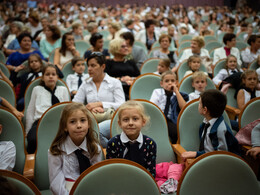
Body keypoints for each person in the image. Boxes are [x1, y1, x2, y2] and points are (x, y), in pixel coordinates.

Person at [48, 102, 102, 195]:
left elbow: (96, 177)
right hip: (66, 191)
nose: (79, 125)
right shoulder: (56, 151)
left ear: (88, 124)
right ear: (65, 127)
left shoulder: (95, 148)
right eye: (73, 122)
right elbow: (56, 182)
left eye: (83, 120)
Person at [181, 89, 239, 160]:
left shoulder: (220, 130)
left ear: (205, 110)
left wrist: (196, 154)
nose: (198, 105)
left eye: (199, 103)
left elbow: (220, 156)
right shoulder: (207, 123)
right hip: (207, 159)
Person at [26, 64, 70, 154]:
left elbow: (68, 110)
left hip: (59, 123)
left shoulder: (63, 89)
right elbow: (30, 111)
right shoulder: (37, 89)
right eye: (47, 74)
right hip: (39, 122)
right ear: (42, 77)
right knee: (32, 139)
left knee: (66, 141)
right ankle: (32, 161)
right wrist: (27, 130)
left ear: (57, 77)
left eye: (53, 74)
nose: (50, 76)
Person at [106, 100, 157, 177]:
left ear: (143, 122)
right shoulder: (113, 143)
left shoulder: (150, 144)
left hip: (143, 183)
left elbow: (151, 172)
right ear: (120, 123)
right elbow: (111, 171)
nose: (130, 123)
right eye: (126, 119)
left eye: (135, 119)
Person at [73, 53, 125, 120]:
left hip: (111, 119)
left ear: (103, 66)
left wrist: (100, 104)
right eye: (88, 66)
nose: (89, 69)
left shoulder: (115, 82)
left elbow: (121, 105)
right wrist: (88, 109)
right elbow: (75, 104)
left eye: (93, 65)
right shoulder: (85, 83)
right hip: (92, 118)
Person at [150, 71, 188, 143]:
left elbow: (184, 108)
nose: (170, 83)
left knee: (176, 132)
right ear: (161, 83)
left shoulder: (178, 95)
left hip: (170, 120)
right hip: (158, 118)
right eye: (167, 81)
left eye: (172, 81)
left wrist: (176, 91)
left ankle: (175, 147)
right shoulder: (157, 92)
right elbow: (152, 106)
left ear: (176, 82)